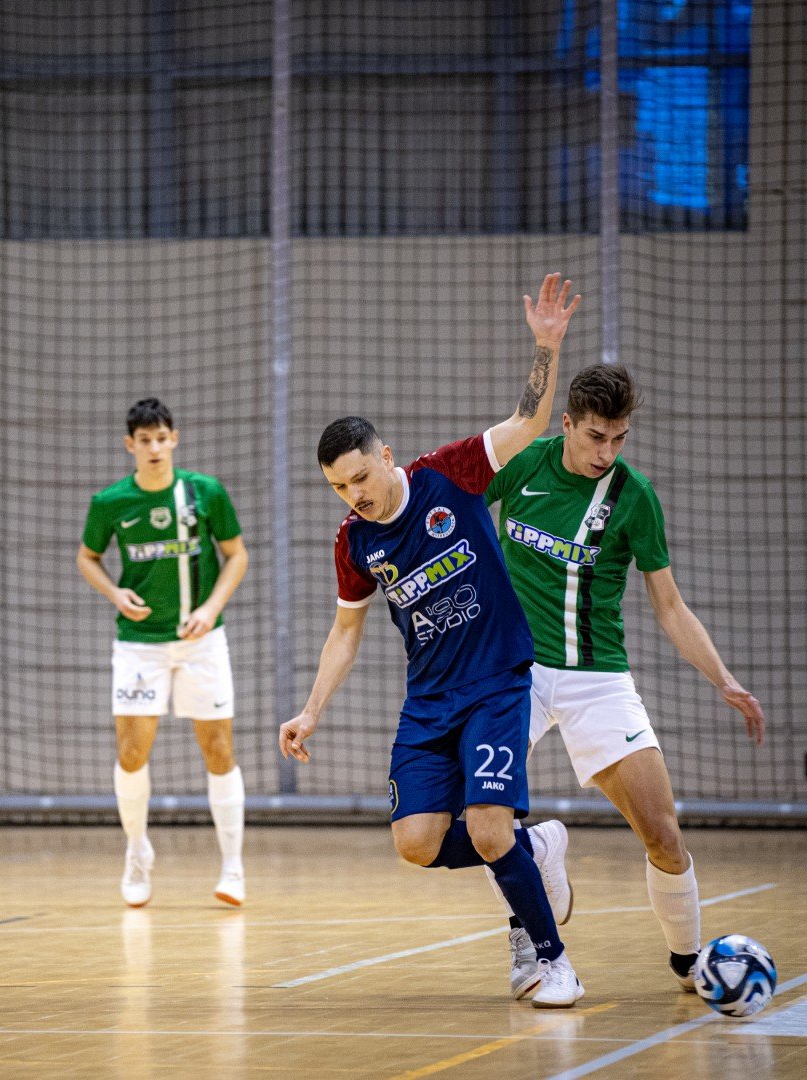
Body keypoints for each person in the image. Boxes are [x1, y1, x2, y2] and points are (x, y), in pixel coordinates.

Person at [280, 273, 586, 1007]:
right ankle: (537, 848)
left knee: (487, 829)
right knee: (416, 843)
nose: (355, 494)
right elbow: (345, 632)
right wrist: (311, 710)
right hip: (429, 702)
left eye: (360, 476)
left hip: (496, 682)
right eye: (339, 487)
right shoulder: (354, 542)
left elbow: (527, 423)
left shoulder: (450, 474)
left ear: (385, 454)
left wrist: (546, 347)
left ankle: (554, 960)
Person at [482, 362, 766, 994]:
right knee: (479, 813)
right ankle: (533, 911)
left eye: (618, 439)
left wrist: (723, 679)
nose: (605, 453)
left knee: (662, 834)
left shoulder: (633, 496)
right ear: (566, 425)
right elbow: (454, 506)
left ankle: (689, 961)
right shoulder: (522, 463)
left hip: (597, 677)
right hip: (514, 672)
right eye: (594, 437)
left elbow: (670, 605)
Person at [78, 398, 250, 908]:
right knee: (131, 753)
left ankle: (233, 867)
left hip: (202, 643)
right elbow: (87, 557)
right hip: (140, 646)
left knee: (219, 751)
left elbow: (236, 555)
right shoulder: (110, 502)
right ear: (129, 445)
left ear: (174, 439)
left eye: (161, 438)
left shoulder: (205, 492)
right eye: (144, 440)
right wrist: (114, 593)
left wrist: (211, 608)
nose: (154, 448)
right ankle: (137, 852)